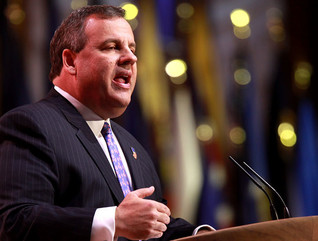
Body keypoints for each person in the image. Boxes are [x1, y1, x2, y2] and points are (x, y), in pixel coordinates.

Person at [0, 5, 212, 241]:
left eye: (132, 48)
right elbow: (16, 222)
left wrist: (203, 235)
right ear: (70, 61)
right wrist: (113, 221)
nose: (131, 57)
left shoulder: (132, 146)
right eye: (112, 47)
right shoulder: (32, 126)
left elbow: (153, 224)